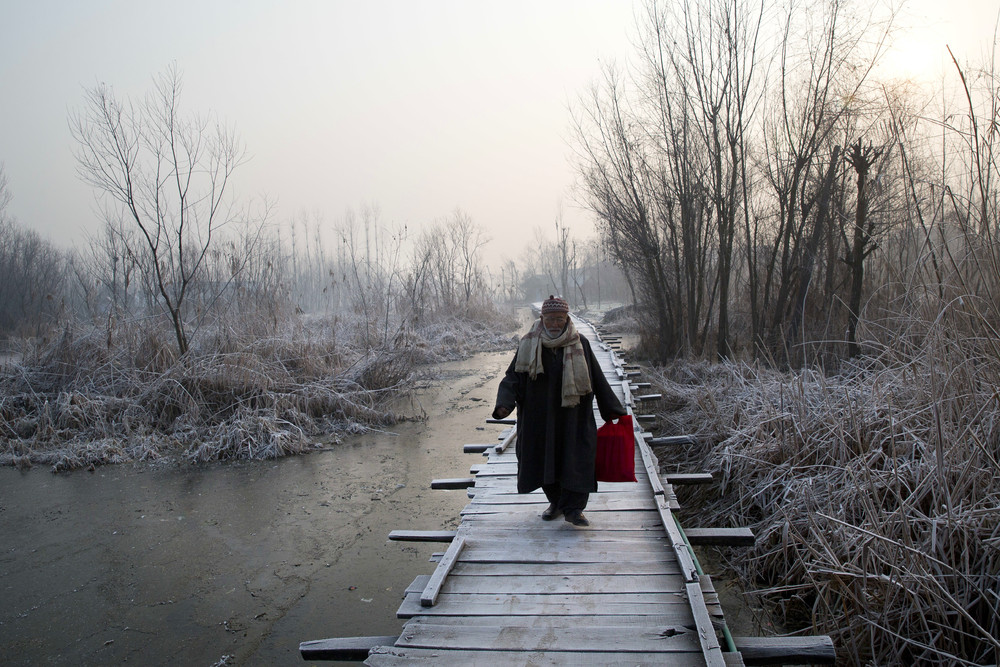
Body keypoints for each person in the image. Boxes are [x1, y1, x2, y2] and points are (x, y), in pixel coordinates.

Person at [492, 295, 627, 527]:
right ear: (542, 318)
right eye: (551, 319)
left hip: (574, 416)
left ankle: (574, 510)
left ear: (567, 319)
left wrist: (611, 409)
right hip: (539, 418)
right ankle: (555, 503)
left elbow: (596, 376)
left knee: (578, 459)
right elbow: (513, 376)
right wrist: (505, 404)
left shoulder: (580, 342)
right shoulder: (528, 343)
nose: (555, 324)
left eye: (560, 319)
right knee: (545, 460)